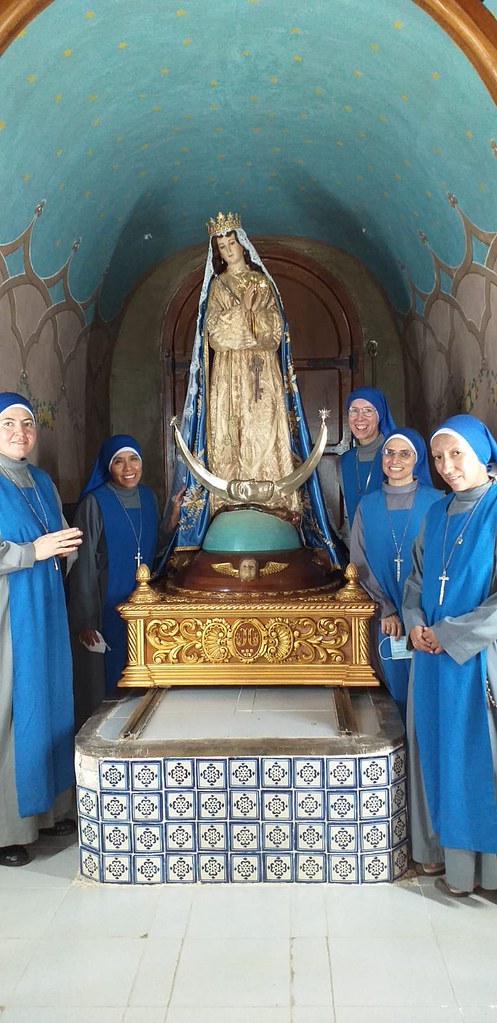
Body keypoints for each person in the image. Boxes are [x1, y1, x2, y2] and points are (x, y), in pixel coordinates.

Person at [162, 211, 345, 569]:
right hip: (228, 377)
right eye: (222, 246)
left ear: (242, 245)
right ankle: (229, 503)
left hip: (262, 374)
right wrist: (241, 315)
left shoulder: (262, 283)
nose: (228, 250)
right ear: (217, 251)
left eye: (232, 243)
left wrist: (251, 316)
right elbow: (214, 333)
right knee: (230, 433)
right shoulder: (217, 287)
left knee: (265, 432)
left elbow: (274, 334)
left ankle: (273, 505)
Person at [403, 414, 497, 896]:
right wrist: (417, 623)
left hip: (479, 662)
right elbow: (415, 581)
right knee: (435, 753)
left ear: (482, 452)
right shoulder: (435, 514)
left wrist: (450, 634)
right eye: (439, 458)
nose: (447, 466)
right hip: (432, 659)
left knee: (477, 760)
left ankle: (489, 871)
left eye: (456, 453)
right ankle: (443, 861)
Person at [0, 392, 82, 867]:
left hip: (47, 606)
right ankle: (9, 828)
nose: (19, 433)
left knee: (50, 700)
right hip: (11, 612)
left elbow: (58, 534)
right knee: (15, 707)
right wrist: (35, 550)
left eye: (27, 424)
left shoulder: (43, 480)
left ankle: (49, 811)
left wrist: (65, 546)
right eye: (8, 423)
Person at [68, 435, 182, 728]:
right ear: (109, 467)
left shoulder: (148, 497)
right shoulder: (94, 503)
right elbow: (83, 566)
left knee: (142, 673)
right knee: (107, 682)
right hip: (106, 604)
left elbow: (154, 547)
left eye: (134, 459)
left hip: (142, 604)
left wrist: (170, 525)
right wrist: (86, 620)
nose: (128, 467)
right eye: (119, 461)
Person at [350, 428, 442, 723]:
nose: (395, 460)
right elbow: (359, 561)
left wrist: (418, 614)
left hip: (429, 620)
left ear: (417, 460)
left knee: (429, 698)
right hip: (385, 619)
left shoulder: (438, 501)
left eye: (405, 454)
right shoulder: (368, 504)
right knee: (392, 699)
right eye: (389, 452)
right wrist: (387, 608)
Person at [339, 386, 396, 540]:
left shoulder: (395, 456)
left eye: (368, 411)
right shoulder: (345, 461)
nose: (359, 418)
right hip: (357, 553)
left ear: (380, 415)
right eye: (353, 411)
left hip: (393, 550)